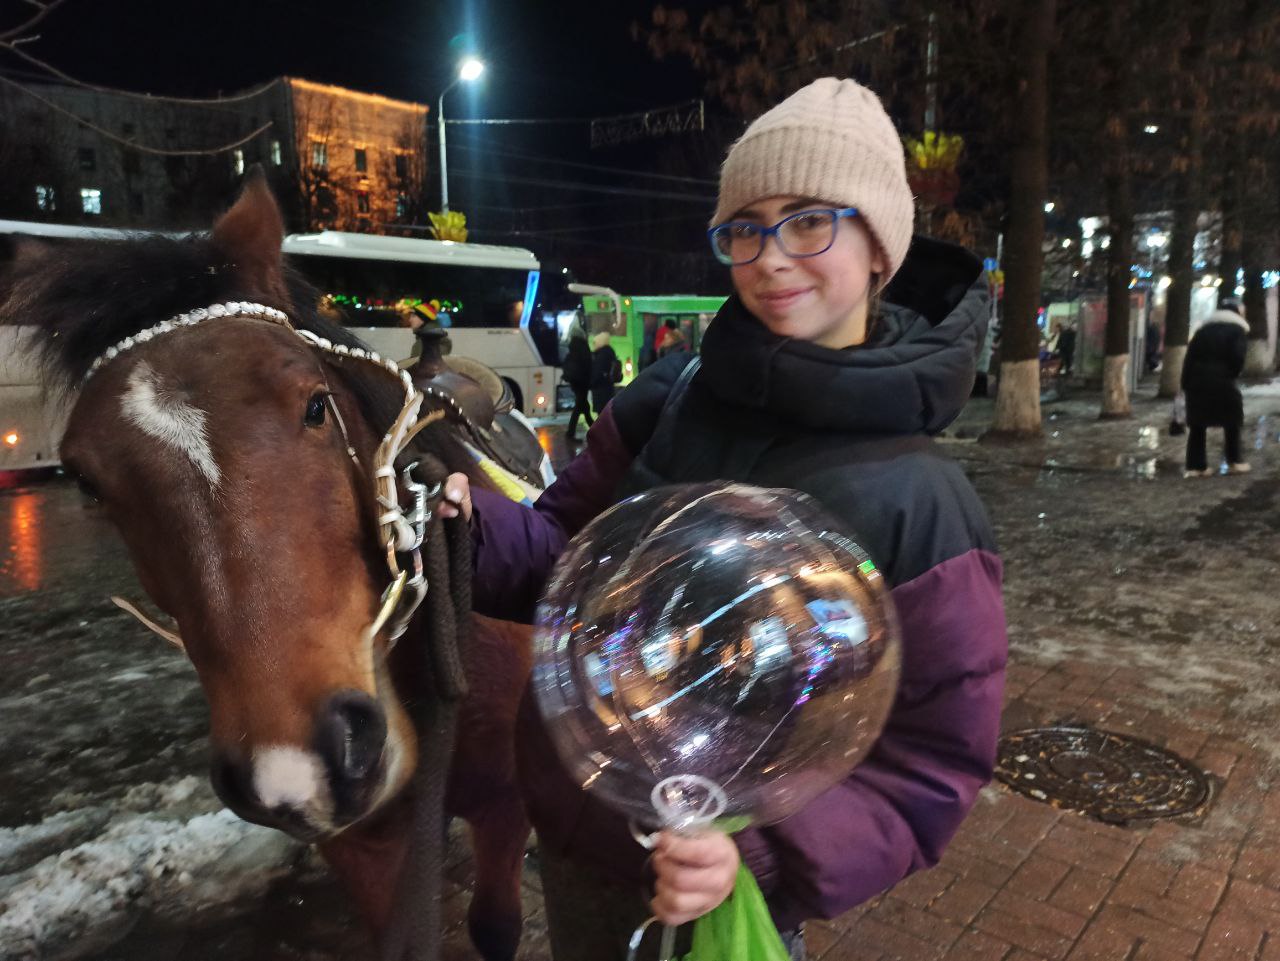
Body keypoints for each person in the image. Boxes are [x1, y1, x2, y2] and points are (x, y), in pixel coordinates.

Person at [440, 76, 1007, 961]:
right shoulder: (669, 396)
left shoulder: (923, 500)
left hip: (727, 891)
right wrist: (459, 521)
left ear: (881, 249)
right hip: (580, 832)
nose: (772, 258)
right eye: (746, 228)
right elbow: (563, 556)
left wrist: (757, 852)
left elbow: (931, 766)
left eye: (810, 220)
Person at [1182, 298, 1250, 477]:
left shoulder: (1202, 331)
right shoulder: (1237, 331)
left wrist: (1185, 383)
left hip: (1197, 381)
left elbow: (1189, 358)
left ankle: (1196, 466)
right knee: (1232, 421)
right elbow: (1237, 358)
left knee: (1198, 424)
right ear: (1237, 313)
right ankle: (1234, 461)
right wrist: (1231, 374)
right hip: (1223, 381)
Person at [562, 318, 594, 442]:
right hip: (582, 381)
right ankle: (570, 434)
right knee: (580, 406)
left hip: (576, 381)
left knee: (584, 406)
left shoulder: (573, 345)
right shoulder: (581, 346)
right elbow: (586, 364)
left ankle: (594, 429)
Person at [589, 331, 622, 413]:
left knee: (601, 415)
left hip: (601, 390)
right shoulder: (609, 352)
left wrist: (590, 383)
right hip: (608, 388)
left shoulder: (601, 355)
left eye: (595, 342)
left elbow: (597, 373)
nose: (594, 344)